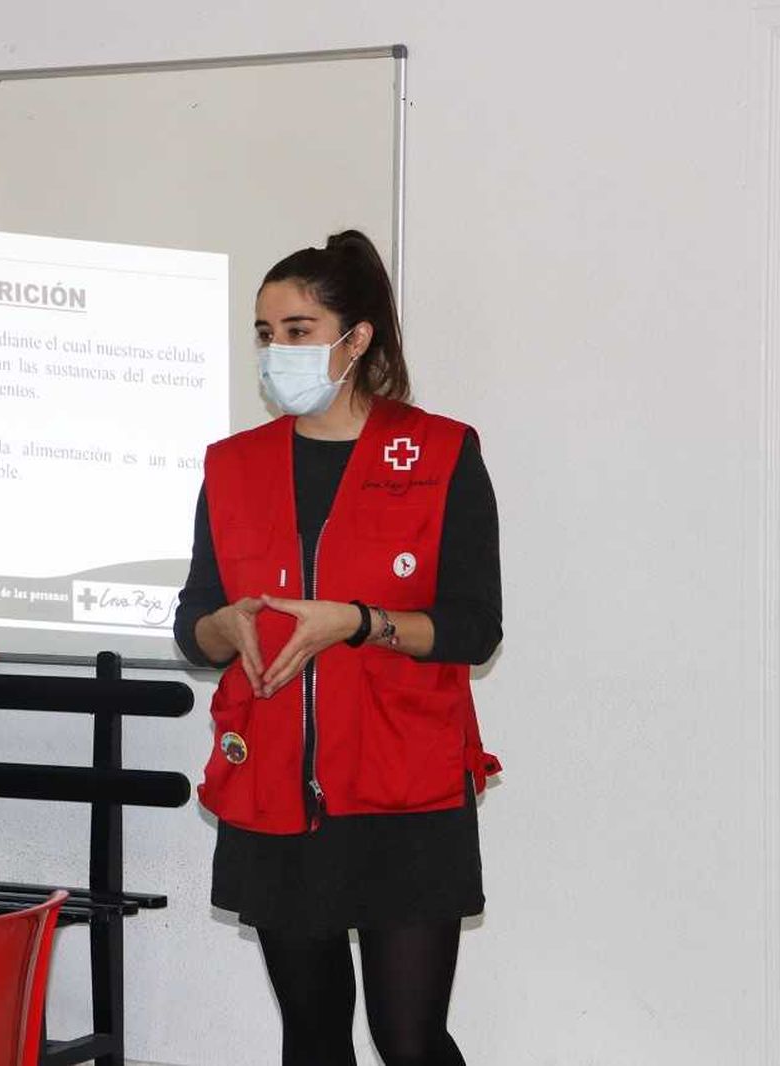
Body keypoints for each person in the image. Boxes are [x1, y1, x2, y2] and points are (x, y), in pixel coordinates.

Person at [174, 230, 502, 1066]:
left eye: (297, 330)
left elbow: (473, 626)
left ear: (356, 340)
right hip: (278, 788)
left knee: (409, 1040)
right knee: (313, 1038)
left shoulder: (440, 452)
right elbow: (196, 622)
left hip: (405, 790)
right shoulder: (233, 466)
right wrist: (227, 626)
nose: (275, 349)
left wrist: (358, 621)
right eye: (264, 332)